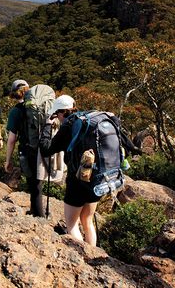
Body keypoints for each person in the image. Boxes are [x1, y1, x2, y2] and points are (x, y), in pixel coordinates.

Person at [39, 95, 139, 246]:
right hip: (99, 179)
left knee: (72, 224)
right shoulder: (89, 119)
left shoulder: (69, 125)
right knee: (87, 220)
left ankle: (80, 259)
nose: (57, 118)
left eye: (56, 115)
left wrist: (47, 125)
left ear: (62, 112)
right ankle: (91, 256)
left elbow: (46, 149)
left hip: (78, 181)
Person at [4, 79, 47, 217]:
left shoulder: (16, 111)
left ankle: (39, 216)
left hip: (27, 151)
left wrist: (7, 160)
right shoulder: (40, 106)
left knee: (34, 186)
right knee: (37, 184)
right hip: (43, 149)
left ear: (14, 94)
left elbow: (11, 140)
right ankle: (35, 211)